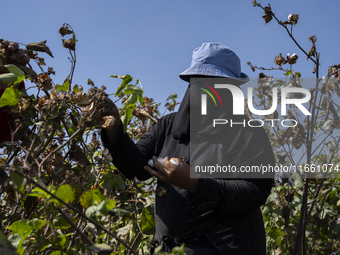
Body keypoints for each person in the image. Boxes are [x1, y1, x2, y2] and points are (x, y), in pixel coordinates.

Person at [101, 42, 275, 254]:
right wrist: (114, 129)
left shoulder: (246, 132)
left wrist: (195, 183)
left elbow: (256, 191)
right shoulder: (166, 127)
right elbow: (135, 166)